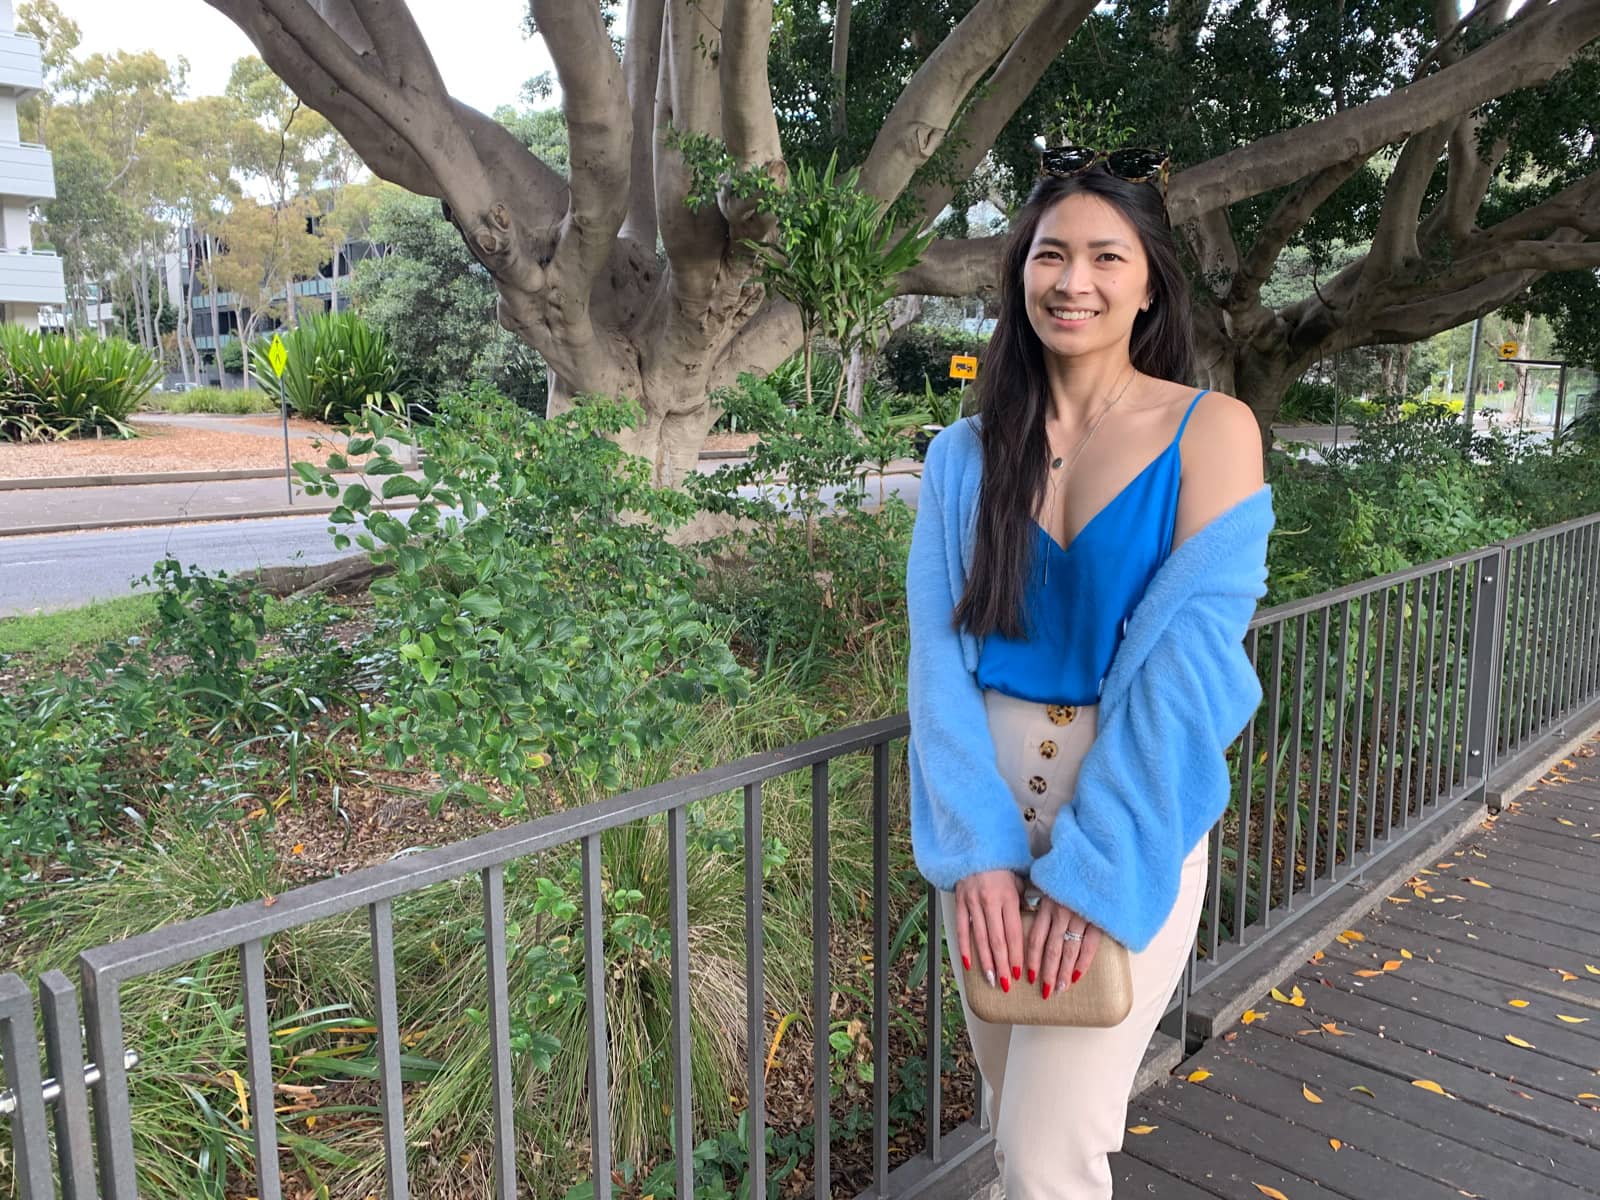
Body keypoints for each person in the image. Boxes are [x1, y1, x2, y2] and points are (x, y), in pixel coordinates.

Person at [904, 153, 1274, 1199]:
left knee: (1047, 1150)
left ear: (1148, 280)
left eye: (1105, 257)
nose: (1074, 281)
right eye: (1049, 254)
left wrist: (1102, 861)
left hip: (1131, 801)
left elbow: (1188, 671)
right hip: (980, 805)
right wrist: (974, 850)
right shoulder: (963, 456)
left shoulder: (1212, 431)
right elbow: (937, 661)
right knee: (1007, 1107)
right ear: (1019, 272)